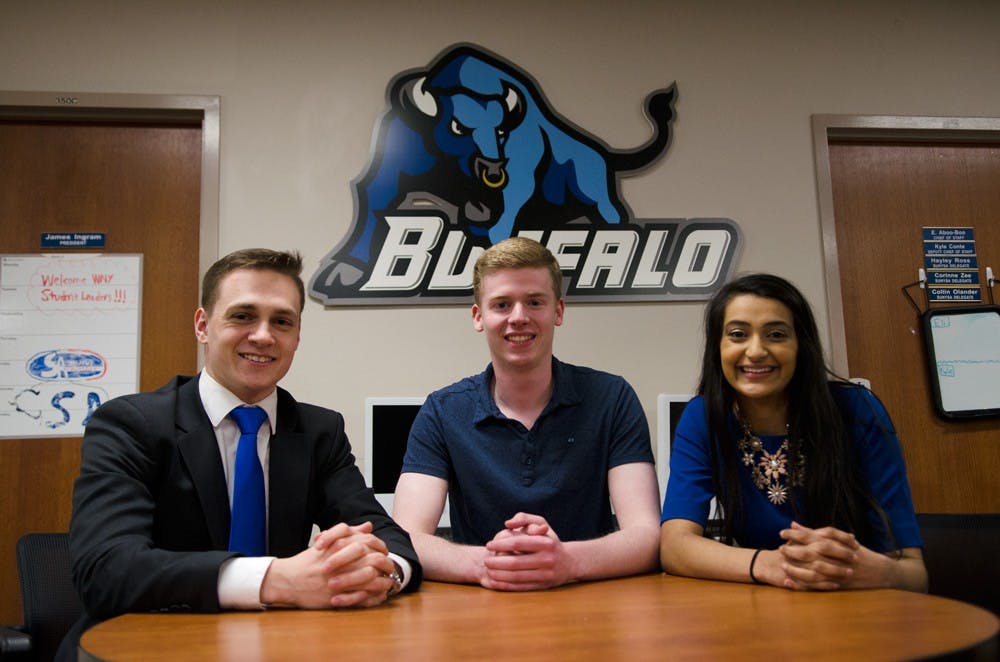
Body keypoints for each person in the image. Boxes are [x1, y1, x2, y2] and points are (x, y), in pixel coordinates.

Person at [60, 249, 421, 658]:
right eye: (243, 315)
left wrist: (382, 573)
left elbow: (389, 539)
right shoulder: (131, 424)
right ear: (203, 325)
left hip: (278, 645)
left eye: (282, 321)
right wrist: (278, 578)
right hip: (148, 645)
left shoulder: (320, 431)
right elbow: (105, 570)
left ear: (297, 337)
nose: (264, 336)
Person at [392, 237, 661, 591]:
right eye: (502, 304)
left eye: (535, 302)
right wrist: (488, 565)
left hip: (590, 604)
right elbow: (405, 537)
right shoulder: (443, 411)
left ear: (558, 311)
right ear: (479, 316)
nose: (518, 317)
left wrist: (566, 562)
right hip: (478, 609)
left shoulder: (612, 398)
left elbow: (647, 536)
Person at [660, 273, 927, 592]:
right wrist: (769, 564)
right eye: (737, 334)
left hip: (854, 600)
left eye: (775, 334)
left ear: (802, 345)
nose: (756, 351)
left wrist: (866, 569)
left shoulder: (856, 410)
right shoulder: (703, 417)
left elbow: (915, 575)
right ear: (718, 347)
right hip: (761, 602)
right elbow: (674, 547)